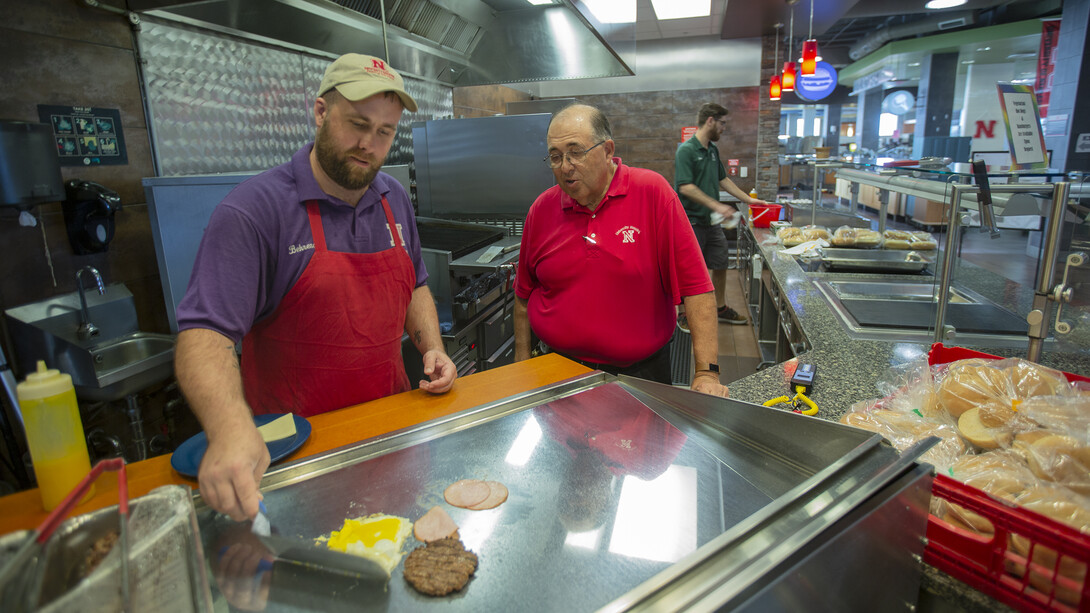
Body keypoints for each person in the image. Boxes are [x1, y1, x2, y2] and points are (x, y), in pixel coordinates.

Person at [174, 54, 457, 522]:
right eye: (357, 124)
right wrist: (228, 429)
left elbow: (416, 285)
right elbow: (205, 335)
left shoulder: (395, 199)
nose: (368, 144)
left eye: (384, 132)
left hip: (391, 432)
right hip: (295, 452)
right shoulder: (253, 212)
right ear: (322, 112)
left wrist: (433, 348)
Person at [513, 103, 729, 398]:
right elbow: (523, 297)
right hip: (555, 372)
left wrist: (706, 373)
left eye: (576, 152)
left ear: (607, 149)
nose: (565, 166)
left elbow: (697, 288)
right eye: (555, 157)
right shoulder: (541, 209)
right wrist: (521, 366)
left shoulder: (652, 193)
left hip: (638, 374)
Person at [675, 102, 767, 326]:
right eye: (722, 123)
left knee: (721, 262)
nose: (724, 128)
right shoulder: (686, 150)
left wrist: (749, 199)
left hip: (711, 222)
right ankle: (684, 314)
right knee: (689, 270)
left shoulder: (712, 150)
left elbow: (722, 179)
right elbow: (685, 187)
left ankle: (720, 307)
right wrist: (716, 206)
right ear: (710, 121)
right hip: (692, 221)